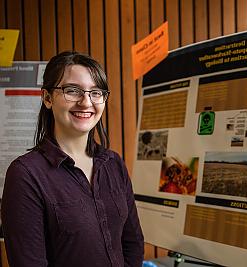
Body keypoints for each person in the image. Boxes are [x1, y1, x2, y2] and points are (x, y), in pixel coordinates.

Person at [1, 51, 144, 267]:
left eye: (96, 92)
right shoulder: (25, 174)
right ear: (47, 98)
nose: (86, 102)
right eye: (72, 91)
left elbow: (133, 243)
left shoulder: (114, 164)